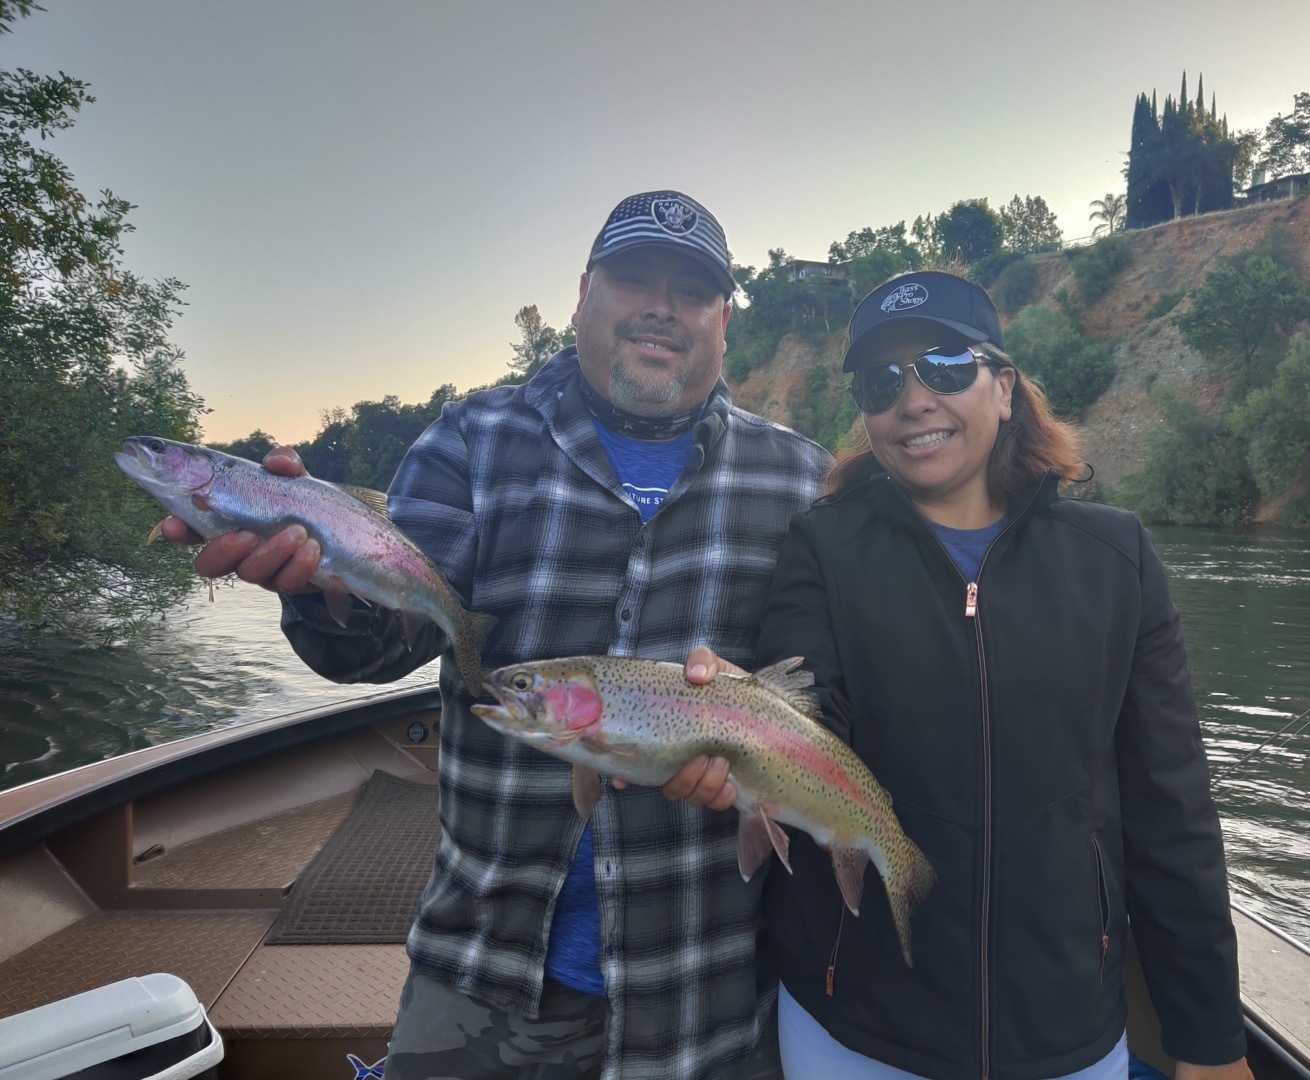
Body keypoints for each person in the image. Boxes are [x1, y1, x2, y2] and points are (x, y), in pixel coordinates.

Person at [162, 190, 831, 1079]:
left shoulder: (799, 476)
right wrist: (325, 585)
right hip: (488, 963)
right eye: (634, 279)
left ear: (723, 317)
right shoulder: (471, 438)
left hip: (707, 975)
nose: (660, 307)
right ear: (586, 291)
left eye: (691, 290)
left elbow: (822, 685)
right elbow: (375, 648)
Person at [753, 271, 1253, 1080]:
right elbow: (811, 725)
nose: (913, 400)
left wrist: (1211, 1041)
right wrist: (725, 719)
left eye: (945, 366)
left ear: (1006, 385)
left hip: (1067, 1031)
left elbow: (1174, 812)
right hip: (853, 1027)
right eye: (882, 382)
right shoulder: (822, 548)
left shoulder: (1116, 559)